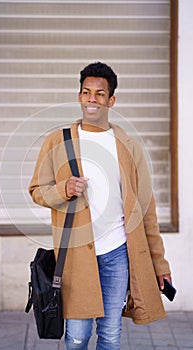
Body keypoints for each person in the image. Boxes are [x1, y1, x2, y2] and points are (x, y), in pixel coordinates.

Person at [29, 62, 172, 350]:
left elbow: (146, 208)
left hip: (118, 252)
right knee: (78, 336)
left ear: (111, 100)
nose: (92, 99)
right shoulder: (58, 141)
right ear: (79, 96)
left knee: (110, 333)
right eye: (86, 92)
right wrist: (63, 190)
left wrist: (160, 264)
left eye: (99, 94)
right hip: (76, 254)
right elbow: (36, 191)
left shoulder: (128, 146)